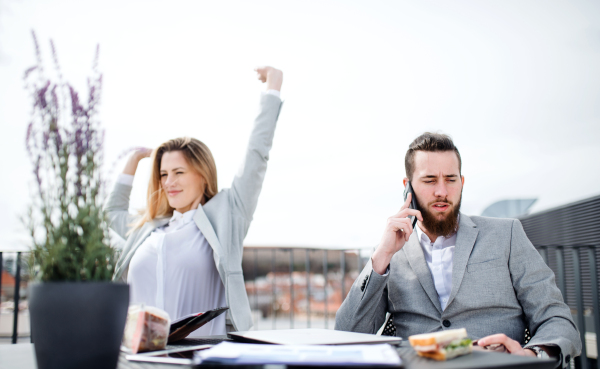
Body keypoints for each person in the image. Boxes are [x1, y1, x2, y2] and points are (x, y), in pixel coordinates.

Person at [335, 132, 581, 368]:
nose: (442, 191)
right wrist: (381, 257)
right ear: (407, 187)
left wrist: (531, 355)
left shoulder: (507, 234)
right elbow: (347, 335)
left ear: (461, 183)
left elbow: (557, 319)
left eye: (451, 179)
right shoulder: (391, 253)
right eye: (430, 180)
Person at [105, 66, 284, 336]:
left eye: (179, 172)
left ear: (202, 175)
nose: (169, 182)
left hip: (201, 356)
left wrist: (272, 88)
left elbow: (257, 155)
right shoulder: (149, 228)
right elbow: (112, 212)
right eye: (164, 174)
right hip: (139, 358)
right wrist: (132, 160)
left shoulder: (227, 215)